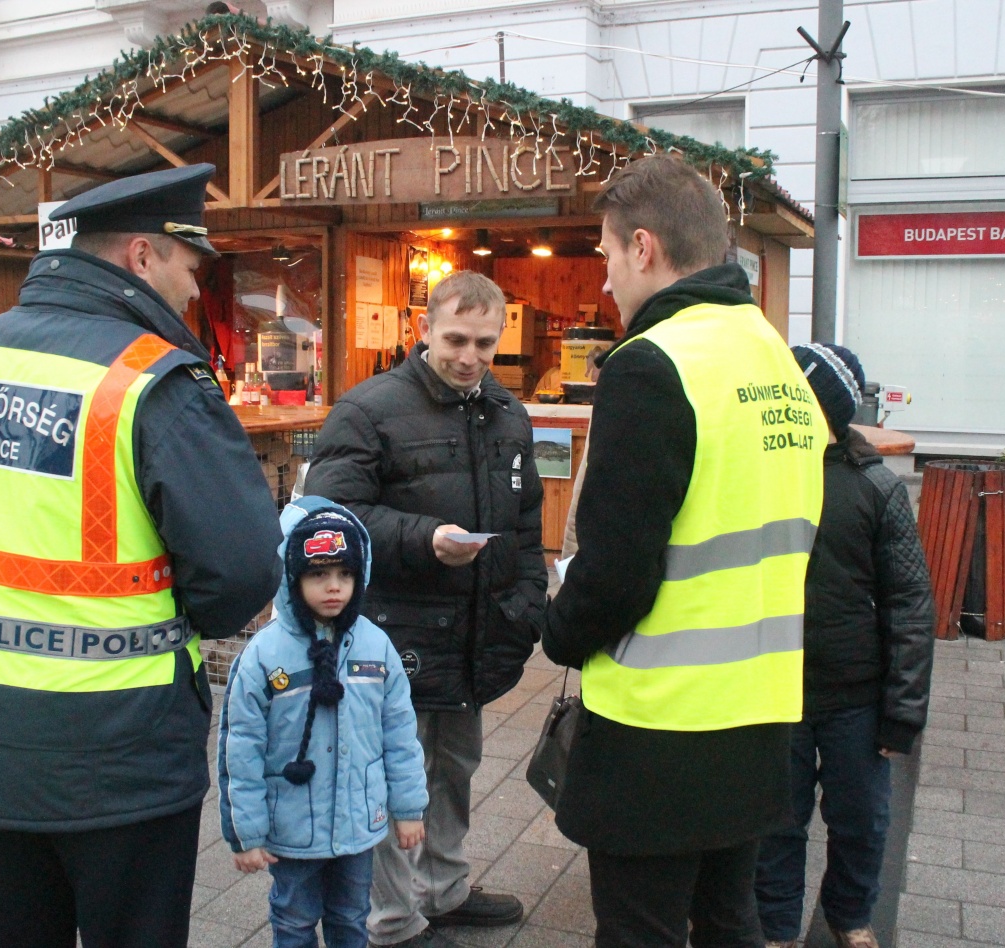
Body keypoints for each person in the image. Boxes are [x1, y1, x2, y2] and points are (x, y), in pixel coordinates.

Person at [0, 163, 283, 948]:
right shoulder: (153, 381)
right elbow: (242, 570)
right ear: (142, 256)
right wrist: (163, 614)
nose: (192, 290)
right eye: (189, 266)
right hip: (120, 748)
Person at [541, 155, 828, 948]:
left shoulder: (653, 364)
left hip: (658, 726)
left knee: (641, 932)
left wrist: (557, 626)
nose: (603, 283)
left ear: (643, 248)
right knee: (729, 921)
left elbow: (616, 570)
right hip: (762, 713)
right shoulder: (777, 359)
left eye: (602, 258)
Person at [303, 270, 547, 947]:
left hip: (473, 631)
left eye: (486, 344)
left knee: (455, 768)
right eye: (457, 340)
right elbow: (329, 514)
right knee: (390, 777)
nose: (470, 357)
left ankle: (443, 889)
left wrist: (528, 602)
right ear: (423, 331)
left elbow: (527, 522)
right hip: (393, 633)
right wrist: (423, 538)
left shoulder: (506, 411)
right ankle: (391, 921)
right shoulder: (369, 408)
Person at [754, 344, 935, 948]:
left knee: (861, 822)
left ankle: (850, 915)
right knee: (777, 823)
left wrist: (904, 708)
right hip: (779, 689)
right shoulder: (763, 483)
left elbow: (911, 604)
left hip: (857, 695)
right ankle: (777, 925)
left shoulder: (876, 489)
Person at [220, 497, 430, 948]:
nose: (334, 587)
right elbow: (240, 747)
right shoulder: (263, 656)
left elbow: (400, 734)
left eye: (345, 574)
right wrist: (246, 833)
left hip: (358, 826)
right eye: (318, 574)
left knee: (351, 917)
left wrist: (409, 808)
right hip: (291, 829)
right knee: (293, 921)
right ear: (292, 578)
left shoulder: (376, 647)